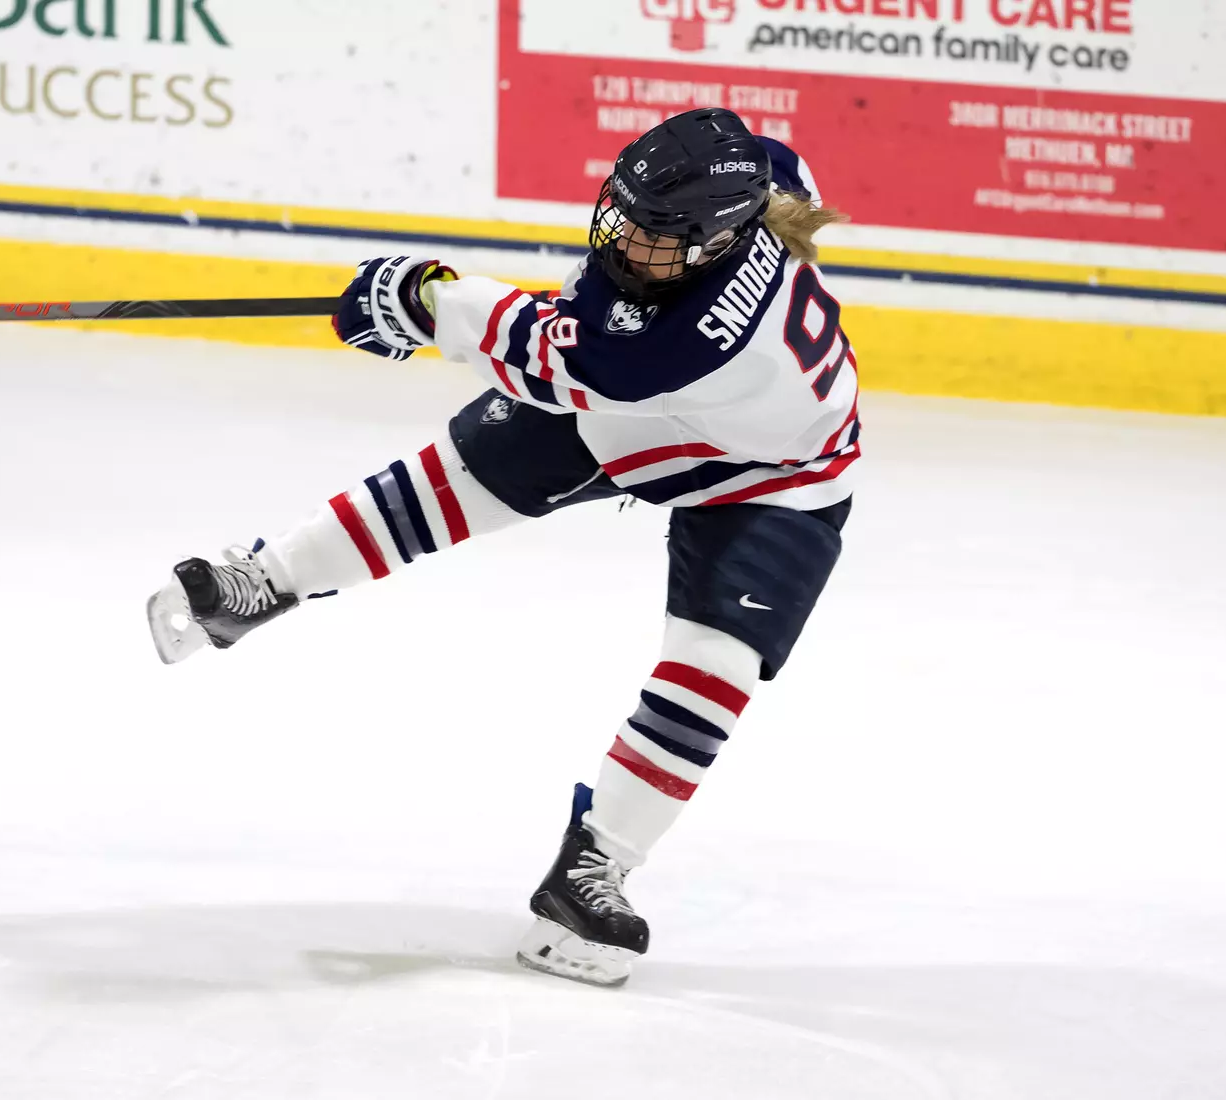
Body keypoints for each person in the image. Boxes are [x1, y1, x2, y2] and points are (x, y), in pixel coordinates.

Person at [146, 108, 859, 986]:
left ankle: (591, 872)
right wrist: (420, 301)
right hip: (658, 404)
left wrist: (426, 302)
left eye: (657, 232)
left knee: (713, 671)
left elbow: (552, 354)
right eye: (625, 211)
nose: (626, 235)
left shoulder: (676, 342)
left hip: (776, 475)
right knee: (455, 479)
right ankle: (264, 582)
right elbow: (766, 168)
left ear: (715, 242)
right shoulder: (754, 177)